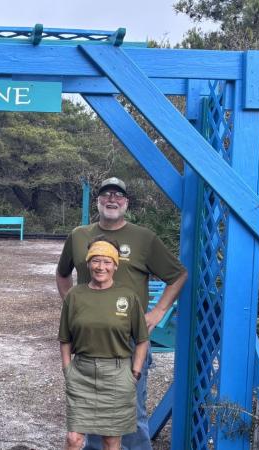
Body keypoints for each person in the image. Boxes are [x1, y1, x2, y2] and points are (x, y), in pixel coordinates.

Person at [56, 177, 188, 450]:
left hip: (128, 340)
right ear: (98, 201)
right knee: (93, 414)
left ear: (126, 203)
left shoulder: (144, 238)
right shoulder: (79, 236)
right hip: (89, 341)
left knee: (131, 414)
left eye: (118, 195)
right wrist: (73, 308)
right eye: (106, 195)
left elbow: (178, 275)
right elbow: (62, 273)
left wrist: (157, 312)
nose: (112, 199)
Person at [60, 237, 149, 450]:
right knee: (73, 439)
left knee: (110, 440)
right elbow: (65, 338)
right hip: (82, 373)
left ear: (115, 265)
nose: (101, 267)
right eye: (96, 260)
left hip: (117, 375)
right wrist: (67, 370)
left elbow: (142, 339)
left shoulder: (128, 297)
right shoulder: (75, 295)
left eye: (107, 262)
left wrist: (135, 373)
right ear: (88, 263)